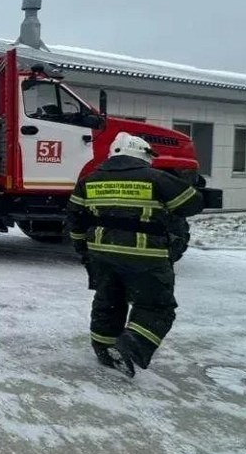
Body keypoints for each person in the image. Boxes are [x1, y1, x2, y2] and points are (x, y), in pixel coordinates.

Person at [67, 132, 204, 378]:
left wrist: (84, 251)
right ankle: (130, 346)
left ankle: (104, 348)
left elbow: (75, 220)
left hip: (102, 255)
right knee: (156, 306)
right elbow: (191, 204)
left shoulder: (88, 180)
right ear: (142, 154)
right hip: (145, 257)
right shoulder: (156, 178)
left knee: (109, 301)